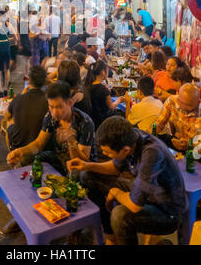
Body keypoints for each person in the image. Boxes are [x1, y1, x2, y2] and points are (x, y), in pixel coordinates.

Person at [67, 116, 188, 245]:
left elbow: (134, 205)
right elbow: (115, 167)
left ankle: (119, 231)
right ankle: (110, 233)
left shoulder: (151, 154)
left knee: (120, 216)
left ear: (125, 150)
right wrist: (87, 165)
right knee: (87, 175)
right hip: (147, 194)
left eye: (107, 152)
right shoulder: (132, 137)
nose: (104, 153)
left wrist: (116, 193)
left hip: (167, 211)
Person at [7, 81, 97, 176]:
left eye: (59, 107)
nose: (54, 112)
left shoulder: (85, 123)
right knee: (27, 159)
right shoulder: (50, 117)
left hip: (82, 165)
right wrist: (20, 151)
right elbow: (39, 144)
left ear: (70, 103)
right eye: (51, 106)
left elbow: (83, 161)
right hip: (59, 158)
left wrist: (71, 142)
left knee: (76, 174)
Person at [4, 66, 48, 154]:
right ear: (44, 82)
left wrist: (21, 95)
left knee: (8, 124)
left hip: (19, 144)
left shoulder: (19, 98)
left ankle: (12, 154)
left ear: (29, 81)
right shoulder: (49, 100)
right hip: (44, 144)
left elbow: (6, 116)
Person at [155, 83, 201, 151]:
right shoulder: (172, 101)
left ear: (198, 102)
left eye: (188, 105)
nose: (182, 107)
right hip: (176, 142)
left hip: (193, 150)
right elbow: (159, 124)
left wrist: (189, 145)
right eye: (180, 102)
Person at [85, 60, 125, 130]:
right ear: (103, 72)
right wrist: (119, 100)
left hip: (92, 118)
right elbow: (111, 107)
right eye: (107, 70)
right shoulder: (103, 89)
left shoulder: (88, 85)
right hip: (103, 119)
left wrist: (106, 91)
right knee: (121, 113)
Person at [0, 6, 16, 98]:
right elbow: (15, 37)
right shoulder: (8, 24)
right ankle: (6, 89)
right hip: (6, 46)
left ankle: (0, 91)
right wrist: (8, 40)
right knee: (7, 69)